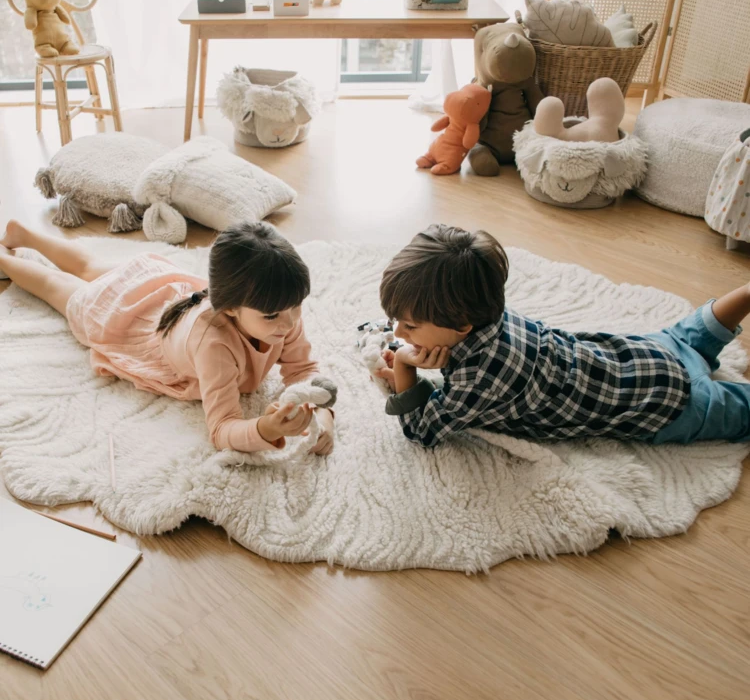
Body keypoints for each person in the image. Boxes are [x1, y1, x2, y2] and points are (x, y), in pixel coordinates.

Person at [375, 223, 749, 448]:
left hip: (668, 406)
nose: (398, 332)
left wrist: (407, 367)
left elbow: (422, 431)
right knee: (689, 335)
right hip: (642, 353)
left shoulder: (478, 380)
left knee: (738, 411)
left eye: (410, 325)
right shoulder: (491, 312)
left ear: (461, 326)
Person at [0, 220, 334, 455]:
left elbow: (304, 371)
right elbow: (222, 428)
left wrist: (324, 417)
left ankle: (24, 234)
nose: (290, 322)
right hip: (130, 321)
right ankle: (4, 257)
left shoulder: (280, 312)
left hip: (165, 293)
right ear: (230, 308)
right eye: (274, 315)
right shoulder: (214, 346)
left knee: (91, 266)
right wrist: (266, 429)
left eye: (296, 307)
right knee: (61, 288)